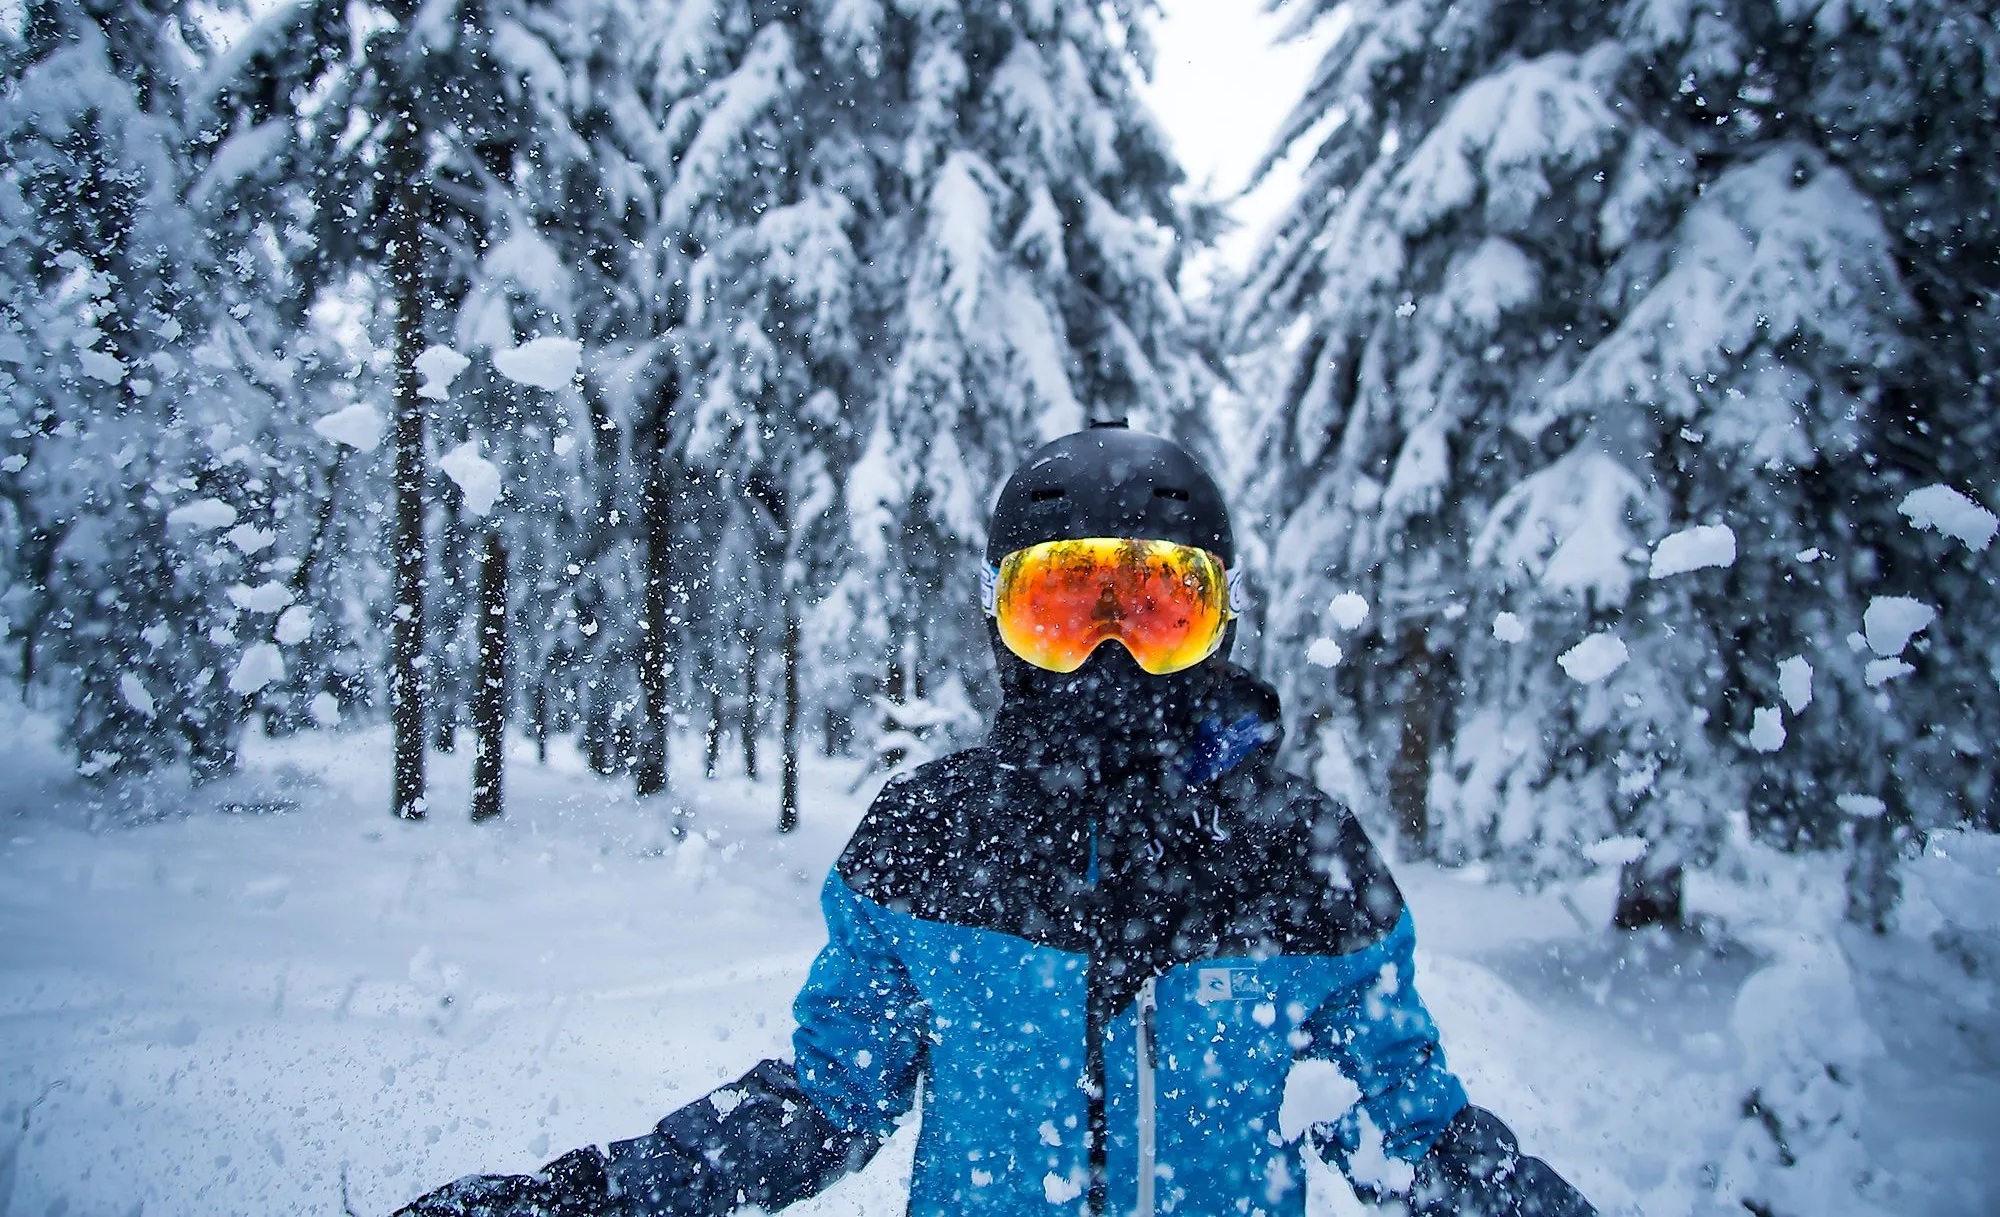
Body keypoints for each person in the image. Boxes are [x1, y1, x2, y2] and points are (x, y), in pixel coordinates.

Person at [397, 423, 1595, 1217]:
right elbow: (823, 1099)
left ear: (1221, 623)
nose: (1113, 658)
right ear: (998, 622)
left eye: (1157, 612)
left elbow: (1413, 1135)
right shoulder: (929, 843)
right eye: (1067, 610)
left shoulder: (1301, 858)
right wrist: (594, 1195)